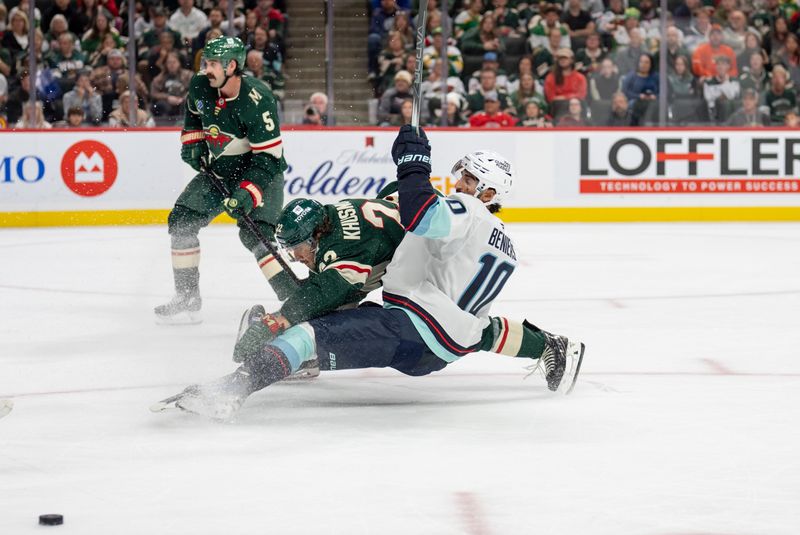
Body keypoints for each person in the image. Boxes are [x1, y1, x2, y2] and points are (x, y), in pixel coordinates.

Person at [158, 126, 586, 420]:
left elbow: (422, 213)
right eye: (463, 174)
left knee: (307, 334)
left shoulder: (467, 210)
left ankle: (233, 388)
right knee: (480, 326)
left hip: (412, 329)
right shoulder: (505, 242)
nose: (460, 182)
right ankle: (552, 346)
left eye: (471, 179)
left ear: (491, 192)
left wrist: (414, 164)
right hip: (451, 343)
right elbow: (417, 222)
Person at [154, 36, 288, 324]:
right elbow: (193, 115)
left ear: (232, 65)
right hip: (220, 171)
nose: (207, 69)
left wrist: (245, 194)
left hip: (262, 174)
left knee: (256, 236)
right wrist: (192, 142)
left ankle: (292, 299)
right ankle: (187, 297)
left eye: (213, 63)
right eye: (206, 63)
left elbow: (268, 160)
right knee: (182, 221)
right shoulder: (202, 84)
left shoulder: (258, 99)